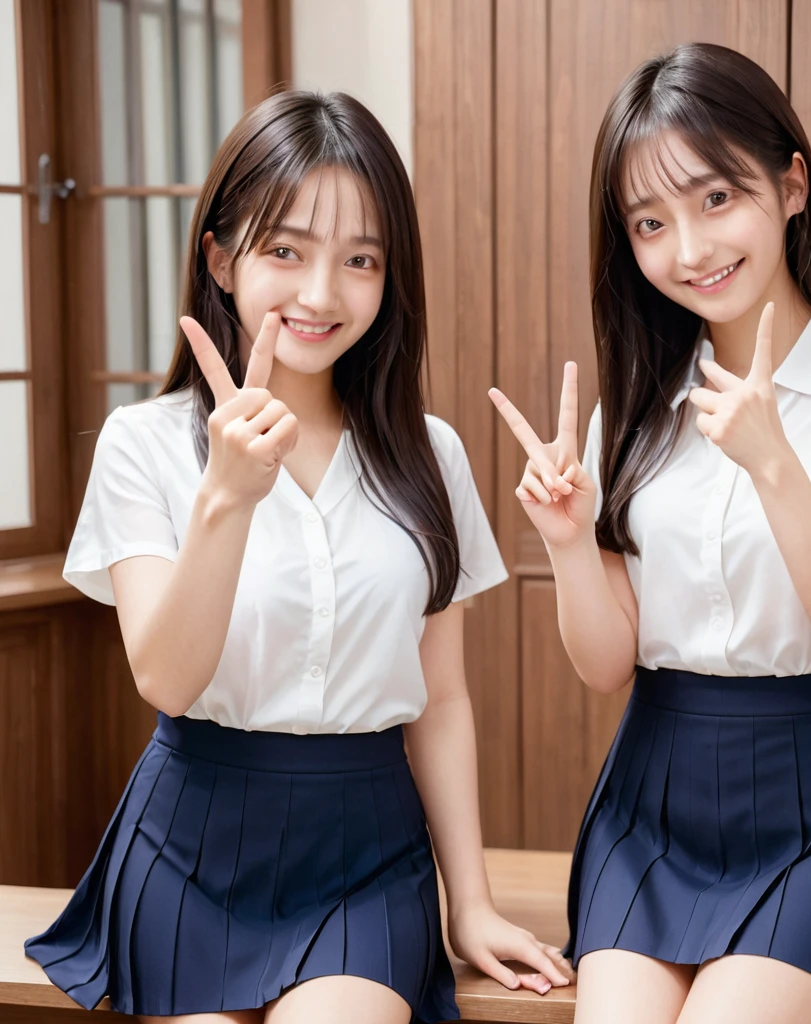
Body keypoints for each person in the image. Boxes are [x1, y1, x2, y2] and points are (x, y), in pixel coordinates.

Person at [26, 89, 572, 1024]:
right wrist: (227, 499)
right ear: (220, 256)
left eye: (360, 260)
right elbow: (164, 675)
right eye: (285, 251)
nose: (322, 294)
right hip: (190, 849)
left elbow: (441, 701)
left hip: (366, 858)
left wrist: (470, 901)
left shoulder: (428, 453)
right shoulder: (145, 445)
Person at [489, 43, 811, 1024]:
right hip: (651, 811)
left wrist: (773, 461)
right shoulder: (634, 411)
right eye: (649, 221)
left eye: (715, 198)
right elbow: (608, 666)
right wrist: (564, 538)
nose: (687, 248)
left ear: (791, 184)